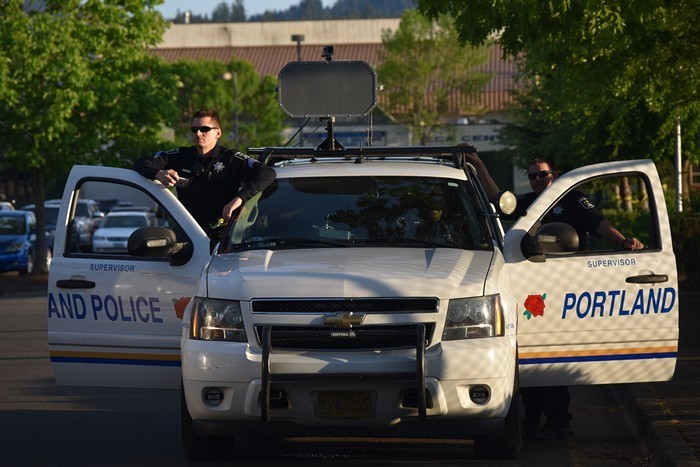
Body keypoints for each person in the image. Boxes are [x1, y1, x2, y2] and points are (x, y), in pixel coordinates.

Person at [462, 147, 644, 440]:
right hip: (533, 287)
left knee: (552, 356)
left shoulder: (571, 199)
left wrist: (625, 243)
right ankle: (535, 420)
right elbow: (500, 203)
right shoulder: (532, 203)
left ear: (554, 175)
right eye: (533, 176)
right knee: (534, 355)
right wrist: (479, 164)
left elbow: (599, 223)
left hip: (564, 286)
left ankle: (558, 421)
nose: (537, 180)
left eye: (543, 174)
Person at [133, 109, 276, 234]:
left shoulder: (231, 159)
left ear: (218, 132)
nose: (198, 133)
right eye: (194, 129)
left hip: (222, 236)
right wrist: (159, 174)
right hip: (189, 235)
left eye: (204, 129)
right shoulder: (181, 156)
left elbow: (267, 173)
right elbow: (141, 163)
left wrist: (239, 199)